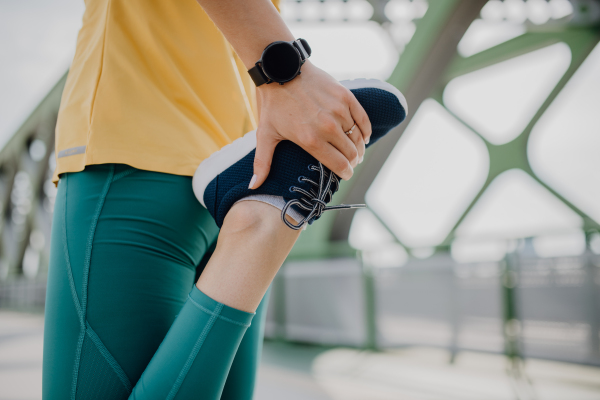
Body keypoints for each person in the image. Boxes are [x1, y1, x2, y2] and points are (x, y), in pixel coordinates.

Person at [42, 1, 406, 399]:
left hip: (134, 148)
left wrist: (286, 74)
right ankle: (258, 228)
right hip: (246, 174)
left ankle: (259, 227)